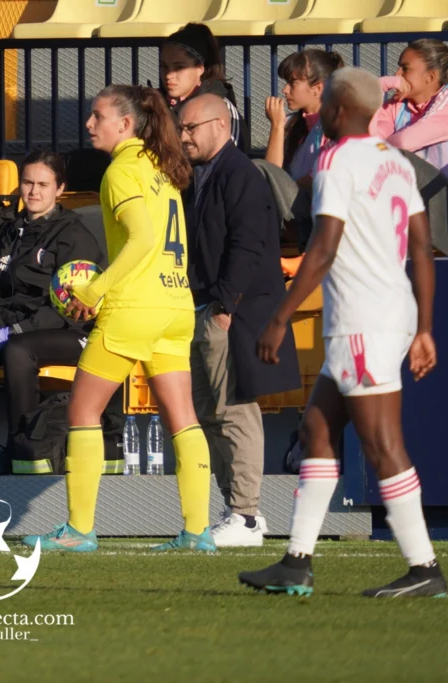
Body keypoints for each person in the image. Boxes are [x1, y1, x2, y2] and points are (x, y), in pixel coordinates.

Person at [239, 68, 447, 598]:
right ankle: (296, 561)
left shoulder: (335, 158)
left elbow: (323, 247)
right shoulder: (395, 162)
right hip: (391, 312)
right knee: (317, 430)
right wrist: (423, 326)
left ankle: (424, 569)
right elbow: (422, 249)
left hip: (360, 320)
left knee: (382, 444)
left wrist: (281, 316)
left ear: (334, 111)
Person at [21, 85, 214, 553]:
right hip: (175, 305)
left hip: (134, 309)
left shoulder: (121, 171)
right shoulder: (160, 169)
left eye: (97, 115)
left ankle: (79, 531)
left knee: (82, 411)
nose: (89, 124)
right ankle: (197, 532)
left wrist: (94, 289)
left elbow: (143, 239)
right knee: (183, 419)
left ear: (125, 124)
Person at [179, 94, 301, 547]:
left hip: (230, 310)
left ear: (219, 124)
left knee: (234, 412)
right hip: (206, 307)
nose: (184, 136)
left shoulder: (240, 174)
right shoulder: (202, 175)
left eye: (191, 127)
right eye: (182, 128)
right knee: (211, 414)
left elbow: (250, 247)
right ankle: (237, 510)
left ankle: (246, 515)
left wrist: (226, 306)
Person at [0, 151, 105, 476]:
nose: (33, 192)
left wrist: (13, 331)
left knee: (18, 349)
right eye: (28, 182)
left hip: (66, 332)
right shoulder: (8, 231)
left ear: (60, 189)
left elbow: (70, 308)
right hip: (11, 329)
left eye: (43, 184)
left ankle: (19, 449)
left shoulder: (73, 235)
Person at [374, 38, 448, 240]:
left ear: (430, 76)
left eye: (404, 68)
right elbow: (366, 144)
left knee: (401, 160)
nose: (396, 75)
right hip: (423, 203)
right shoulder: (397, 106)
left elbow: (401, 145)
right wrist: (377, 89)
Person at [160, 23, 249, 153]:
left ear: (199, 68)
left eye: (179, 67)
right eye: (163, 66)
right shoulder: (153, 104)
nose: (169, 75)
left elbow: (227, 163)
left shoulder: (222, 108)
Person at [265, 49, 344, 182]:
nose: (285, 90)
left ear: (317, 89)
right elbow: (270, 177)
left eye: (292, 83)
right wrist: (277, 127)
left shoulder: (335, 127)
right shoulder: (290, 123)